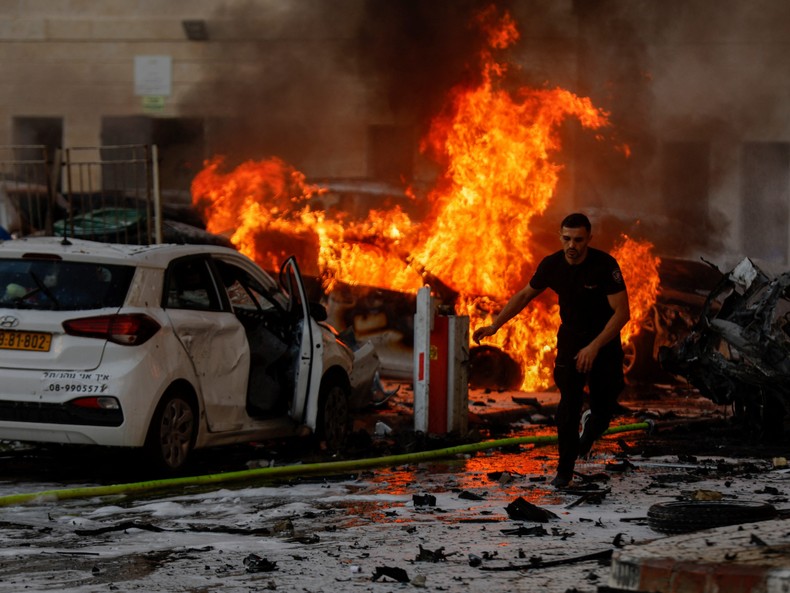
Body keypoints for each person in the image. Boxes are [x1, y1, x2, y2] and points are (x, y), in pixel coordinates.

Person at [472, 213, 630, 488]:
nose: (572, 245)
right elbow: (524, 295)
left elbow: (622, 313)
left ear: (588, 240)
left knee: (604, 410)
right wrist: (495, 325)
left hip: (603, 343)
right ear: (560, 237)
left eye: (579, 240)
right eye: (567, 239)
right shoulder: (552, 264)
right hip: (570, 340)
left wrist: (594, 347)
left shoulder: (604, 266)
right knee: (568, 406)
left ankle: (591, 430)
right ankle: (564, 472)